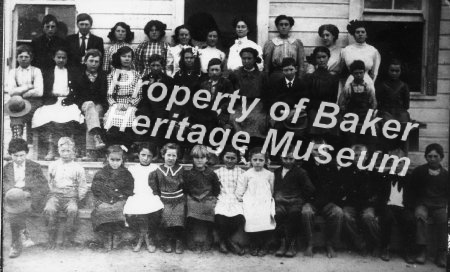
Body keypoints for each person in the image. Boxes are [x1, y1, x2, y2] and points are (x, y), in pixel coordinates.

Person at [31, 47, 84, 161]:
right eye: (58, 57)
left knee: (72, 115)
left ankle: (70, 149)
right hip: (52, 101)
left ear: (67, 59)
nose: (61, 60)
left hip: (67, 101)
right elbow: (44, 90)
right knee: (48, 116)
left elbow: (76, 90)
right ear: (54, 58)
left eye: (63, 58)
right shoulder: (48, 72)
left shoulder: (71, 72)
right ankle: (52, 149)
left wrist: (70, 98)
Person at [3, 139, 49, 258]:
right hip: (11, 199)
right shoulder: (6, 168)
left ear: (26, 153)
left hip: (29, 198)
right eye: (15, 156)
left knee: (15, 212)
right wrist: (12, 193)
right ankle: (22, 235)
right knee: (14, 206)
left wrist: (28, 194)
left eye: (21, 155)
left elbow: (44, 187)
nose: (18, 159)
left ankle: (15, 244)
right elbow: (3, 186)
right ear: (10, 154)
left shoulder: (34, 166)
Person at [43, 137, 89, 249]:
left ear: (73, 151)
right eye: (63, 150)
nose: (65, 153)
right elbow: (49, 182)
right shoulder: (53, 165)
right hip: (55, 195)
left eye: (68, 151)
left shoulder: (78, 168)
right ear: (58, 150)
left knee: (72, 210)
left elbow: (83, 186)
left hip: (71, 196)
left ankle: (68, 238)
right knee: (49, 209)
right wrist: (52, 194)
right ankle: (51, 238)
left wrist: (77, 198)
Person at [335, 144, 380, 255]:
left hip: (367, 203)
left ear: (366, 156)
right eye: (355, 155)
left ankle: (377, 244)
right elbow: (340, 189)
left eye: (362, 155)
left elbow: (378, 190)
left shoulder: (372, 170)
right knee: (346, 216)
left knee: (368, 217)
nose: (358, 157)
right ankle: (361, 245)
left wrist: (373, 202)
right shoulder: (346, 170)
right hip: (351, 203)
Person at [302, 139, 343, 258]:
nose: (319, 152)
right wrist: (308, 201)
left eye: (323, 149)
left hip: (327, 202)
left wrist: (332, 202)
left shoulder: (332, 166)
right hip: (311, 201)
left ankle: (330, 243)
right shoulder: (306, 166)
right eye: (316, 150)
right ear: (310, 151)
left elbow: (336, 187)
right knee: (306, 212)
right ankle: (310, 243)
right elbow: (304, 188)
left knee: (338, 212)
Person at [374, 149, 415, 264]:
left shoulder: (409, 178)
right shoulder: (384, 177)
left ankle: (407, 250)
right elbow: (380, 196)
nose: (397, 165)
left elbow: (412, 197)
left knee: (409, 219)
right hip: (388, 206)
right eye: (394, 162)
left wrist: (408, 207)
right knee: (387, 218)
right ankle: (385, 247)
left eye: (400, 162)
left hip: (403, 206)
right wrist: (381, 208)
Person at [411, 143, 449, 267]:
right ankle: (422, 250)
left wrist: (444, 205)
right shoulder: (419, 172)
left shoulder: (446, 175)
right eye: (429, 156)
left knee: (443, 220)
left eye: (435, 156)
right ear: (426, 157)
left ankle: (441, 253)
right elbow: (413, 191)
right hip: (423, 203)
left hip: (439, 205)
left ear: (441, 157)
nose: (432, 159)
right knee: (420, 216)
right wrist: (417, 205)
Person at [66, 49, 107, 160]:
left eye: (96, 61)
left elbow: (104, 95)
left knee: (94, 111)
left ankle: (91, 152)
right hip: (83, 105)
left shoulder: (103, 76)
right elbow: (75, 95)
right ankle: (96, 139)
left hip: (98, 105)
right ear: (85, 61)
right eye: (91, 61)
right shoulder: (78, 75)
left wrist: (98, 104)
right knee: (89, 105)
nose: (94, 64)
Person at [273, 146, 314, 258]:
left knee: (294, 214)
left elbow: (309, 189)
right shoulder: (277, 172)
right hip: (281, 202)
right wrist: (277, 196)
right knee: (278, 214)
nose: (288, 161)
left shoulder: (301, 172)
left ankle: (291, 244)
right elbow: (274, 188)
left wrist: (299, 198)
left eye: (291, 159)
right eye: (285, 158)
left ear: (295, 159)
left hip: (295, 202)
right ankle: (282, 243)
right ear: (281, 158)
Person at [91, 145, 134, 251]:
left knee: (118, 210)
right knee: (103, 210)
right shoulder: (101, 173)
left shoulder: (126, 174)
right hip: (104, 199)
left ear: (122, 159)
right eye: (112, 160)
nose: (115, 163)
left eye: (118, 160)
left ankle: (116, 236)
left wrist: (119, 196)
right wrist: (106, 198)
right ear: (107, 158)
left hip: (120, 199)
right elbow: (96, 188)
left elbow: (129, 189)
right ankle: (107, 237)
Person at [123, 143, 164, 252]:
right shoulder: (132, 168)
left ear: (153, 157)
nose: (145, 158)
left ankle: (148, 237)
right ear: (138, 154)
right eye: (143, 155)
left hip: (151, 196)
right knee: (132, 212)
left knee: (155, 211)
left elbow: (159, 186)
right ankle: (140, 237)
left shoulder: (155, 168)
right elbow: (128, 185)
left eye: (149, 156)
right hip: (137, 195)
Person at [235, 147, 276, 256]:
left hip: (265, 200)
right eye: (255, 160)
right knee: (252, 217)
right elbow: (240, 190)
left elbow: (271, 190)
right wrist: (242, 200)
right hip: (251, 201)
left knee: (265, 216)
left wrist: (267, 199)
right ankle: (254, 243)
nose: (257, 163)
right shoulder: (246, 174)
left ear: (265, 161)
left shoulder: (269, 174)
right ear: (250, 160)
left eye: (261, 160)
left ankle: (264, 244)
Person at [229, 47, 269, 151]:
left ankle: (255, 147)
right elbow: (231, 92)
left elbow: (266, 93)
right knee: (235, 118)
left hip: (257, 104)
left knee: (259, 119)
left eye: (249, 58)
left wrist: (265, 108)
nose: (246, 61)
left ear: (255, 59)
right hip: (240, 104)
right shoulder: (235, 74)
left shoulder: (262, 75)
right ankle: (241, 148)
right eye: (244, 58)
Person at [148, 143, 185, 254]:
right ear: (163, 155)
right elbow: (154, 186)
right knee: (165, 217)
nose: (171, 158)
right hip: (164, 199)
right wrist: (158, 196)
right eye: (168, 155)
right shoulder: (158, 170)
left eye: (174, 156)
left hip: (178, 199)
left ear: (177, 157)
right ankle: (167, 240)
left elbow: (184, 185)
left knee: (179, 215)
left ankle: (179, 240)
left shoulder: (180, 169)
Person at [103, 46, 142, 150]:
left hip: (130, 104)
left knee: (129, 117)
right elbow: (109, 95)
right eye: (124, 56)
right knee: (113, 118)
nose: (127, 59)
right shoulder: (113, 74)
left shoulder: (137, 75)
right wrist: (115, 105)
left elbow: (138, 95)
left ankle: (125, 148)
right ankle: (113, 147)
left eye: (129, 56)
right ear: (119, 58)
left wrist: (130, 105)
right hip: (116, 103)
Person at [184, 145, 221, 253]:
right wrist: (193, 196)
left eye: (202, 158)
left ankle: (209, 238)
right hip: (193, 198)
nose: (199, 160)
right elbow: (186, 189)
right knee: (189, 212)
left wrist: (210, 197)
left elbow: (216, 189)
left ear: (207, 159)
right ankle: (190, 240)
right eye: (196, 158)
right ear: (192, 159)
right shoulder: (189, 174)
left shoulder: (211, 174)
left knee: (210, 209)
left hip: (208, 198)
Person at [268, 57, 309, 147]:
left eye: (291, 69)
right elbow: (274, 100)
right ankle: (277, 153)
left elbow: (305, 100)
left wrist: (296, 111)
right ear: (282, 71)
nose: (289, 72)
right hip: (282, 113)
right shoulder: (278, 84)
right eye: (286, 70)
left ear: (296, 69)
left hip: (297, 113)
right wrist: (281, 111)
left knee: (299, 131)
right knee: (277, 130)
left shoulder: (302, 84)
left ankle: (297, 153)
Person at [5, 44, 43, 140]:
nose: (23, 59)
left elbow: (39, 91)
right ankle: (17, 143)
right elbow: (11, 92)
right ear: (17, 58)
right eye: (20, 57)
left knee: (34, 117)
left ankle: (30, 143)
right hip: (18, 102)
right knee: (16, 117)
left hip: (34, 102)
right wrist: (29, 87)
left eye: (26, 57)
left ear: (31, 58)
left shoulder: (36, 71)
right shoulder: (13, 72)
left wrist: (22, 93)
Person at [137, 54, 174, 148]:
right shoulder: (145, 79)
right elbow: (144, 97)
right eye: (153, 65)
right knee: (143, 115)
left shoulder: (168, 80)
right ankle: (145, 147)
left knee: (160, 118)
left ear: (162, 66)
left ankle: (157, 149)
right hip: (148, 105)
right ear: (149, 66)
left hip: (163, 107)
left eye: (158, 65)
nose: (155, 68)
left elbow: (170, 98)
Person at [337, 60, 377, 149]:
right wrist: (346, 115)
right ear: (352, 74)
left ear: (364, 73)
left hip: (365, 116)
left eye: (361, 73)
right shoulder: (348, 87)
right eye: (356, 73)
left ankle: (368, 156)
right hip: (352, 116)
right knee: (348, 135)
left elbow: (373, 103)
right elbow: (341, 102)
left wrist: (370, 115)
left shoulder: (368, 87)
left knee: (373, 133)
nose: (358, 75)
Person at [214, 145, 246, 255]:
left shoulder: (242, 172)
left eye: (233, 158)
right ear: (223, 158)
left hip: (236, 199)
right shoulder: (217, 172)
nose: (230, 161)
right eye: (227, 157)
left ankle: (224, 241)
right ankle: (229, 243)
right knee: (220, 216)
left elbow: (243, 188)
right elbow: (215, 188)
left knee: (238, 216)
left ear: (237, 159)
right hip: (222, 198)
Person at [304, 47, 339, 143]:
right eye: (318, 57)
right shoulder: (310, 77)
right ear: (315, 59)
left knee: (331, 124)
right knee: (314, 120)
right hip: (314, 109)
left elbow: (334, 97)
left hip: (328, 109)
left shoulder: (333, 78)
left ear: (328, 58)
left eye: (324, 57)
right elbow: (307, 97)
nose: (321, 60)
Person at [375, 59, 411, 152]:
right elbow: (378, 103)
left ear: (400, 72)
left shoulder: (404, 86)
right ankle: (387, 152)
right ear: (388, 70)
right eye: (392, 70)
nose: (394, 73)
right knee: (387, 126)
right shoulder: (382, 85)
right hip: (386, 112)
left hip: (399, 112)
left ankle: (400, 151)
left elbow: (406, 105)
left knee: (404, 125)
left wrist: (399, 111)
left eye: (397, 71)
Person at [196, 58, 233, 143]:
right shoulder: (204, 84)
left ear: (221, 71)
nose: (214, 72)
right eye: (212, 70)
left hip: (222, 112)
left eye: (217, 70)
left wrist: (220, 109)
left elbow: (230, 99)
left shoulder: (226, 83)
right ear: (208, 71)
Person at [263, 15, 305, 83]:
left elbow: (301, 64)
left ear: (290, 27)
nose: (283, 27)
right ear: (277, 27)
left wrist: (299, 78)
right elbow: (266, 65)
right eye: (281, 25)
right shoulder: (271, 43)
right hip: (277, 75)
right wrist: (267, 80)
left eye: (286, 25)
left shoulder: (296, 43)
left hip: (292, 74)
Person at [340, 20, 381, 90]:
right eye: (357, 32)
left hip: (367, 83)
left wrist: (370, 83)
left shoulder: (373, 51)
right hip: (350, 83)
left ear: (366, 34)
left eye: (363, 32)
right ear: (353, 34)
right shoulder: (346, 50)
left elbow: (374, 73)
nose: (360, 34)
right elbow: (342, 70)